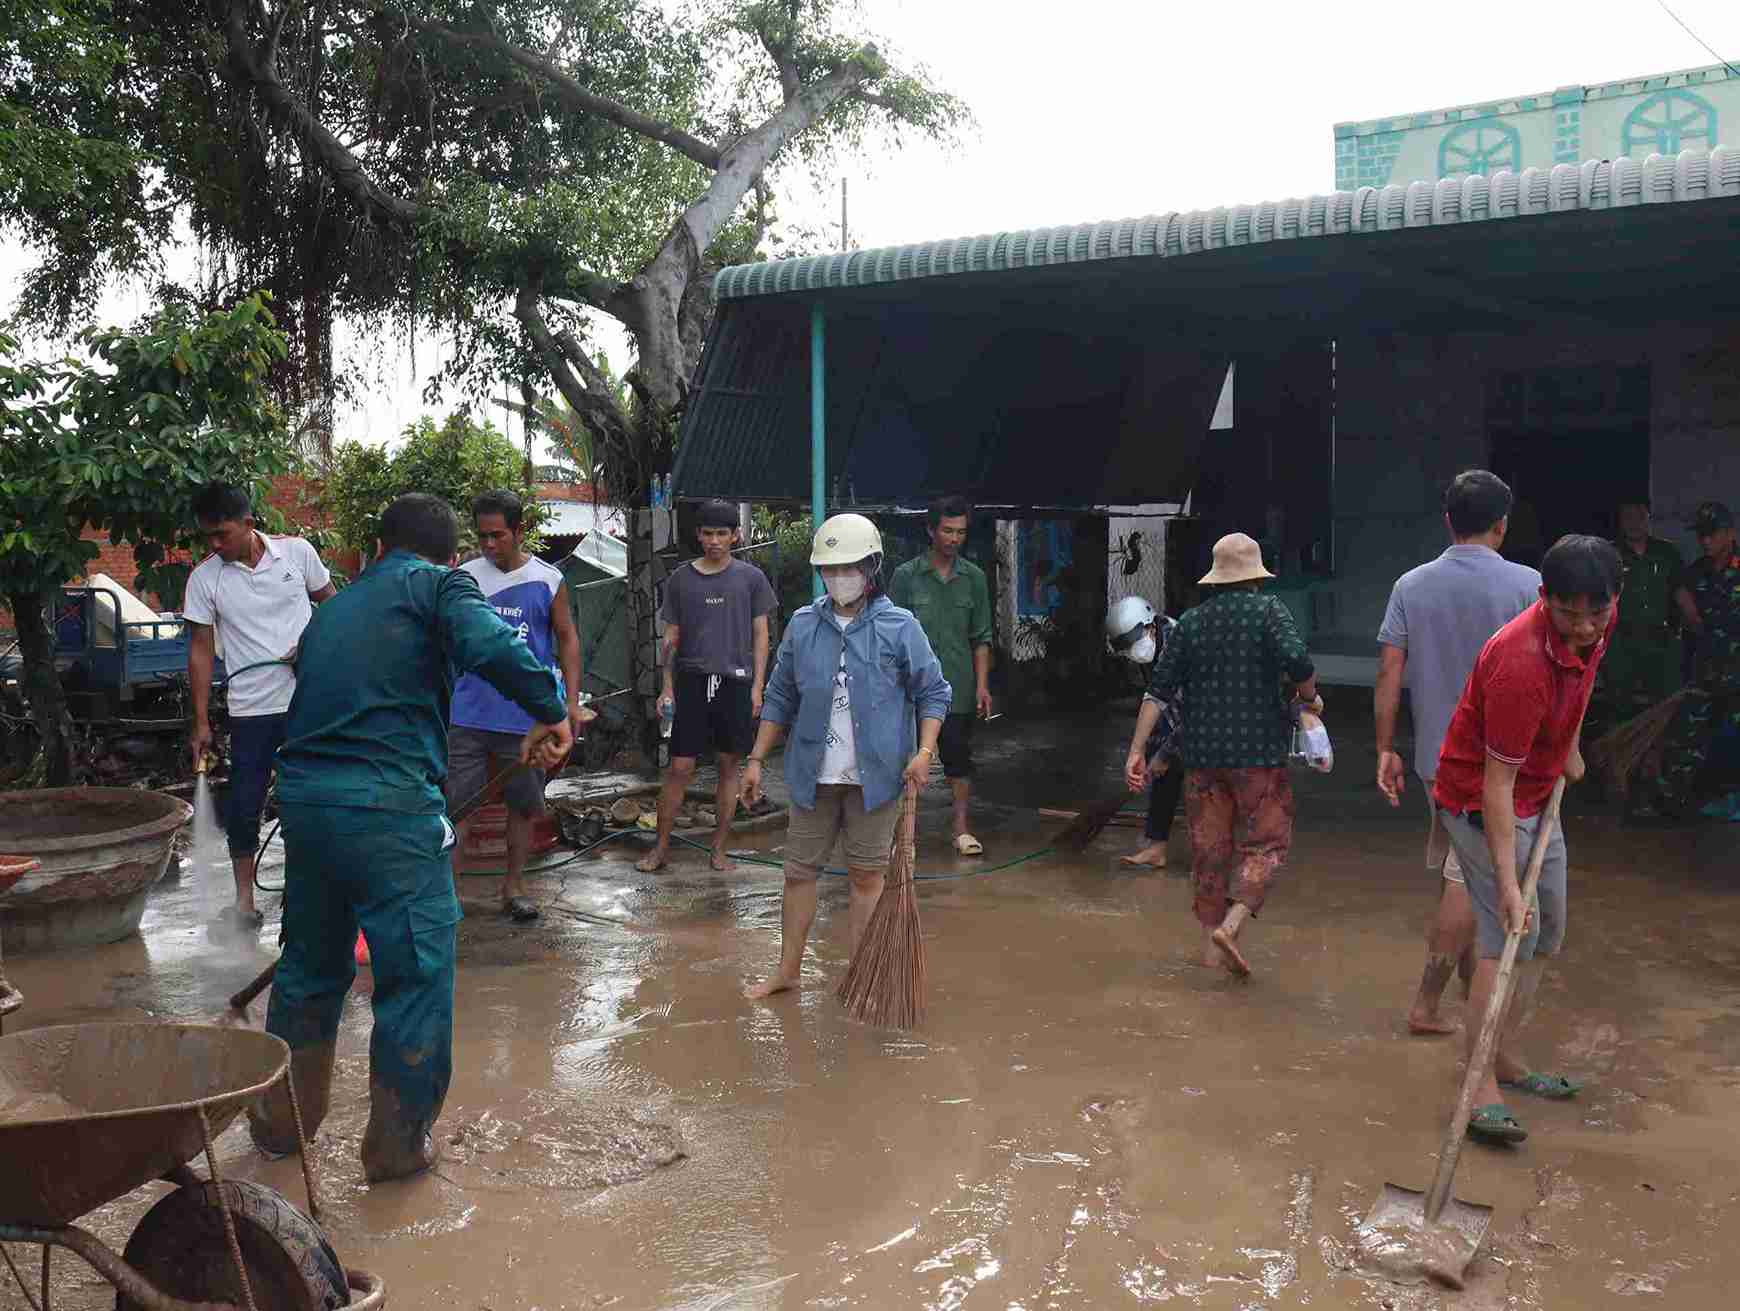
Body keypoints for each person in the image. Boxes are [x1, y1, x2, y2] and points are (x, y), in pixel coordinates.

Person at [248, 493, 573, 1183]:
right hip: (390, 809)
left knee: (308, 967)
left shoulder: (332, 609)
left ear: (376, 547)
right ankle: (395, 1146)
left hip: (304, 807)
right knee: (415, 972)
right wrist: (553, 709)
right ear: (450, 553)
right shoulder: (440, 584)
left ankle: (281, 1127)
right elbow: (492, 645)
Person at [1431, 534, 1619, 1145]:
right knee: (1506, 933)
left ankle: (1504, 1054)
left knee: (1547, 933)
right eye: (1569, 614)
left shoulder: (1596, 623)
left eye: (1597, 611)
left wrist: (1566, 746)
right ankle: (1477, 1079)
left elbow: (1584, 684)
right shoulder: (1520, 661)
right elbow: (1495, 786)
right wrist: (1509, 885)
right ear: (1545, 599)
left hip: (1539, 792)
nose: (1586, 626)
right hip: (1482, 802)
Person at [740, 513, 951, 999]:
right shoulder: (803, 625)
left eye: (849, 567)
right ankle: (787, 971)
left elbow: (933, 693)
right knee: (798, 874)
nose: (839, 577)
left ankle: (864, 976)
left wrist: (923, 752)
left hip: (876, 779)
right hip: (812, 776)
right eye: (830, 569)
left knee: (866, 876)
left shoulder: (900, 628)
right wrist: (755, 760)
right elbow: (779, 697)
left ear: (871, 567)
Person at [1375, 471, 1539, 1037]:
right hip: (1499, 767)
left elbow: (1389, 672)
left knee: (1463, 874)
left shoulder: (1410, 585)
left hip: (1432, 761)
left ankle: (1470, 993)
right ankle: (1426, 1003)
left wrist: (1383, 749)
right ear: (1502, 524)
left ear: (1448, 521)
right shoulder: (1531, 587)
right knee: (1469, 883)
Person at [1140, 533, 1317, 978]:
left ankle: (1210, 952)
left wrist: (1135, 752)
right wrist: (1310, 699)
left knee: (1209, 852)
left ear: (1216, 580)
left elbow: (1158, 690)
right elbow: (1298, 662)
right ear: (1255, 577)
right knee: (1267, 845)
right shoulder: (1269, 611)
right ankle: (1231, 928)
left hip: (1201, 758)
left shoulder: (1192, 623)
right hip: (1257, 754)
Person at [183, 481, 335, 937]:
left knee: (309, 800)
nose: (214, 544)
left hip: (308, 700)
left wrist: (309, 647)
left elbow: (333, 607)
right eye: (207, 536)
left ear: (249, 525)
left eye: (221, 534)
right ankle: (244, 904)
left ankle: (309, 895)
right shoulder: (205, 578)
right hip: (249, 710)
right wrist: (201, 721)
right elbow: (201, 651)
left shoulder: (298, 554)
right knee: (244, 805)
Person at [447, 490, 587, 921]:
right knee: (458, 808)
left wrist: (570, 703)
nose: (489, 545)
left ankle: (514, 886)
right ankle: (446, 896)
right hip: (467, 713)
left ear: (519, 531)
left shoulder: (548, 580)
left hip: (525, 720)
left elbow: (567, 639)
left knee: (524, 806)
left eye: (498, 536)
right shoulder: (463, 577)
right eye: (482, 536)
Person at [638, 500, 775, 874]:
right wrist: (667, 688)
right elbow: (671, 637)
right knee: (680, 767)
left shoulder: (751, 579)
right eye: (708, 533)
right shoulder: (681, 579)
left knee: (730, 765)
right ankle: (660, 848)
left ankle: (719, 849)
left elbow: (761, 635)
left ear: (735, 536)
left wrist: (757, 686)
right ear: (698, 535)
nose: (714, 541)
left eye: (722, 534)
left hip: (735, 682)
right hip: (691, 682)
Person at [888, 496, 994, 855]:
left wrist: (981, 686)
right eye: (947, 531)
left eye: (961, 532)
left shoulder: (975, 579)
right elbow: (889, 636)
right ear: (931, 530)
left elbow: (981, 637)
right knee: (905, 758)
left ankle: (961, 829)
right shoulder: (905, 577)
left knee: (958, 760)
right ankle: (903, 834)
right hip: (910, 690)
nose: (954, 538)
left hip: (959, 687)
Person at [1649, 501, 1740, 818]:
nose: (1705, 541)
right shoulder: (1695, 573)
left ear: (1730, 533)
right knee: (1687, 738)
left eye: (1712, 534)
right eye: (1701, 535)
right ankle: (1674, 803)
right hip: (1706, 674)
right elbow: (1684, 619)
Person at [1593, 498, 1683, 749]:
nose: (1634, 523)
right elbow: (1597, 599)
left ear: (1648, 519)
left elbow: (1681, 595)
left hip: (1660, 643)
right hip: (1620, 644)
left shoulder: (1667, 553)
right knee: (1618, 708)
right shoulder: (1608, 555)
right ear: (1620, 522)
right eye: (1627, 517)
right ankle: (1617, 770)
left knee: (1664, 709)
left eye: (1639, 516)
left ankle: (1656, 766)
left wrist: (1698, 628)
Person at [1111, 596, 1185, 871]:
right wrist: (1142, 753)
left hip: (1208, 718)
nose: (1132, 651)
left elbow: (1192, 711)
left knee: (1201, 780)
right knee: (1161, 770)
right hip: (1173, 715)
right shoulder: (1149, 649)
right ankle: (1156, 848)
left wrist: (1167, 754)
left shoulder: (1179, 643)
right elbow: (1154, 699)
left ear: (1150, 625)